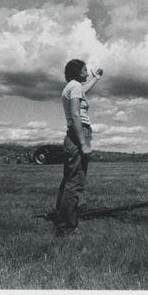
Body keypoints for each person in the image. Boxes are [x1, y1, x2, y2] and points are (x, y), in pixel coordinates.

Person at [54, 59, 104, 236]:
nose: (87, 71)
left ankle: (60, 218)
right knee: (75, 183)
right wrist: (83, 144)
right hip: (78, 133)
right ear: (77, 71)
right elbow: (76, 114)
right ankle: (66, 228)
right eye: (85, 69)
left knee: (69, 180)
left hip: (73, 134)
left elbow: (84, 90)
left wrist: (96, 78)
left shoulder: (73, 86)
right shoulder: (75, 86)